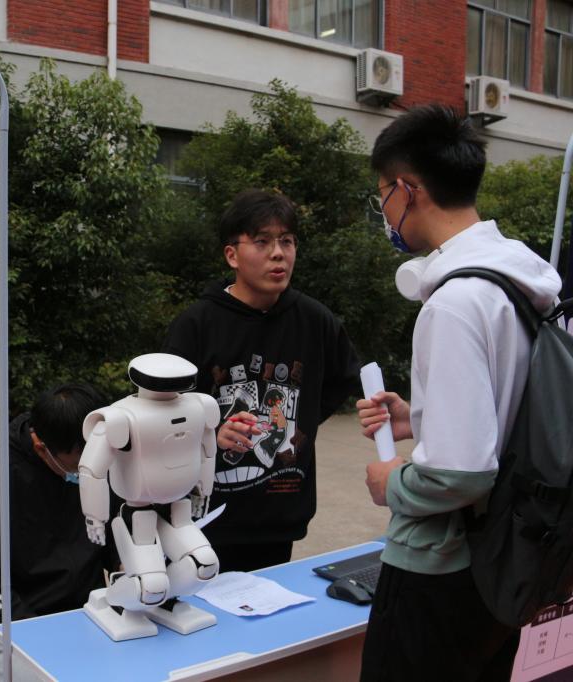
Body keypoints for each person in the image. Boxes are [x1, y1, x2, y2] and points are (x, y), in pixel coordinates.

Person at [355, 104, 561, 681]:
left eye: (382, 195)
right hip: (507, 560)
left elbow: (460, 475)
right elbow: (515, 410)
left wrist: (391, 481)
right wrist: (420, 418)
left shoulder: (453, 303)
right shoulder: (523, 284)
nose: (385, 211)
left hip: (441, 570)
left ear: (407, 190)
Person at [162, 189, 360, 572]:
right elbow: (164, 412)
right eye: (262, 241)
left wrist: (298, 423)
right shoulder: (196, 324)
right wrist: (209, 433)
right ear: (232, 255)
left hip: (279, 512)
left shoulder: (315, 320)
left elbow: (342, 379)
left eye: (287, 241)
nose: (278, 253)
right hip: (204, 516)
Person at [0, 383, 115, 622]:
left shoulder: (102, 457)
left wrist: (124, 564)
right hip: (29, 619)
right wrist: (25, 629)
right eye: (80, 464)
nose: (92, 468)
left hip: (95, 611)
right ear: (42, 449)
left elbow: (116, 522)